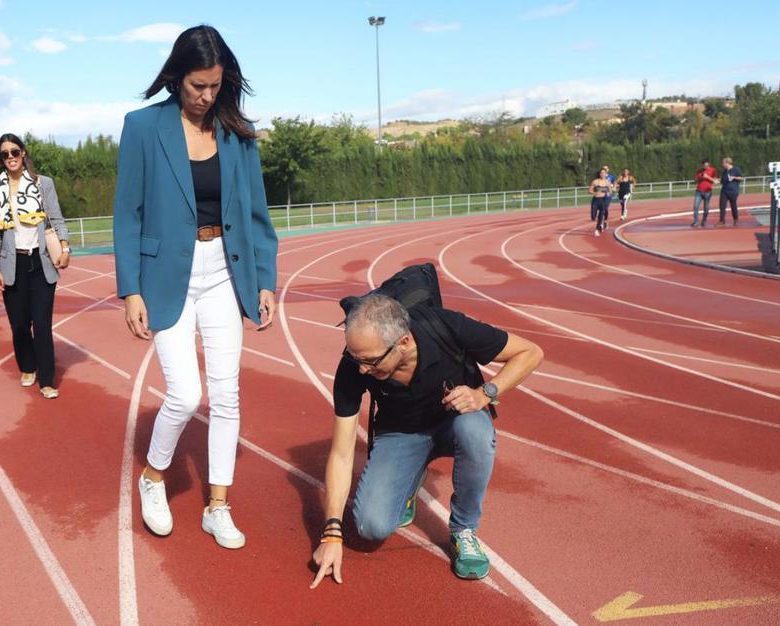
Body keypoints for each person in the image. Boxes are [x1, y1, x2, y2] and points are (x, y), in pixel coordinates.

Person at [113, 24, 279, 550]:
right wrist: (130, 290)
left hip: (225, 274)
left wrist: (265, 280)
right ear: (175, 77)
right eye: (196, 86)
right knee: (185, 395)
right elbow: (127, 214)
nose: (206, 96)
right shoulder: (142, 128)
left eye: (215, 85)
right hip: (167, 276)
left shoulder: (237, 132)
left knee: (227, 396)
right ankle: (154, 478)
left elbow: (256, 215)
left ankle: (218, 507)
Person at [310, 295, 542, 586]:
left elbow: (531, 352)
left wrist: (485, 393)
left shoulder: (445, 326)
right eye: (356, 359)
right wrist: (332, 532)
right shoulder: (354, 365)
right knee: (370, 527)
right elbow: (342, 454)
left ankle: (464, 531)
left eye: (370, 361)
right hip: (400, 435)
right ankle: (409, 481)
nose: (362, 370)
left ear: (403, 342)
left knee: (476, 432)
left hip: (455, 421)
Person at [0, 133, 71, 397]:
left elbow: (57, 218)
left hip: (41, 261)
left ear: (23, 153)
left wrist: (65, 248)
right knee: (20, 324)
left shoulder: (43, 184)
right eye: (5, 154)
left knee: (42, 324)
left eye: (14, 151)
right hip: (13, 264)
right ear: (0, 159)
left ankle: (47, 380)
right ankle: (27, 365)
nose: (10, 157)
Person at [692, 159, 719, 228]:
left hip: (708, 192)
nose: (705, 166)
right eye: (704, 165)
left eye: (706, 165)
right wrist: (699, 178)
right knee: (695, 206)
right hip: (699, 191)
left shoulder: (713, 170)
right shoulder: (699, 171)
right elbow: (695, 180)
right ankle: (696, 222)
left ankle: (704, 221)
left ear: (709, 164)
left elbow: (715, 181)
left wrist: (707, 177)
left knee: (706, 208)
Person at [718, 157, 744, 226]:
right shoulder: (724, 171)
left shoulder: (736, 169)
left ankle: (736, 219)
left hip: (733, 191)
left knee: (733, 206)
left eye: (723, 163)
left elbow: (741, 178)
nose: (722, 164)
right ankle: (722, 221)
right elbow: (722, 180)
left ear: (727, 163)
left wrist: (734, 177)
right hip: (724, 191)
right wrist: (718, 181)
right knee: (722, 206)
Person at [588, 168, 612, 236]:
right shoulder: (595, 181)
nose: (603, 174)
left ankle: (597, 229)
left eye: (604, 173)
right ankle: (599, 225)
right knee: (593, 217)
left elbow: (610, 191)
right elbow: (589, 190)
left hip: (603, 200)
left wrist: (608, 193)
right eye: (601, 173)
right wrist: (594, 193)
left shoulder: (607, 182)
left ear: (606, 174)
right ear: (599, 174)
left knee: (601, 215)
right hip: (595, 200)